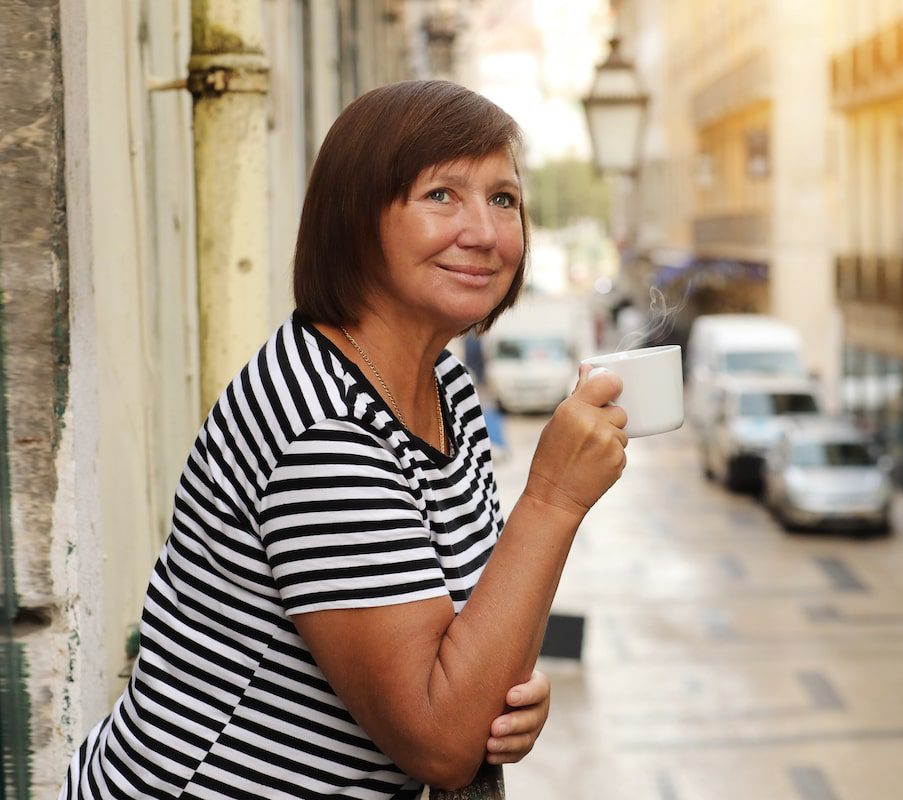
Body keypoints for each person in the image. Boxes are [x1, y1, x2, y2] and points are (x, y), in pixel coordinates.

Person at [60, 80, 629, 798]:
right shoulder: (322, 426)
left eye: (504, 199)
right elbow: (440, 742)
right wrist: (552, 499)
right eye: (441, 196)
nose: (484, 233)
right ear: (356, 220)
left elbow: (465, 637)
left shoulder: (444, 388)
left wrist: (511, 694)